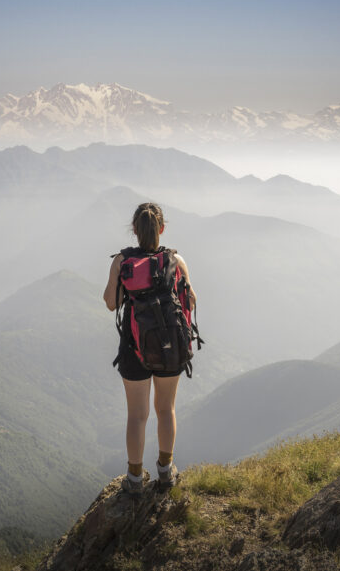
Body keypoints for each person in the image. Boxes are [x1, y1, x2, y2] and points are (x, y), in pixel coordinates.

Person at [103, 202, 197, 496]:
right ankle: (166, 472)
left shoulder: (122, 262)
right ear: (162, 228)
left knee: (137, 415)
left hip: (134, 346)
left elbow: (110, 302)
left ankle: (133, 478)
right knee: (166, 409)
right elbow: (190, 300)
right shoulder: (176, 261)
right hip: (171, 346)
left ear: (134, 231)